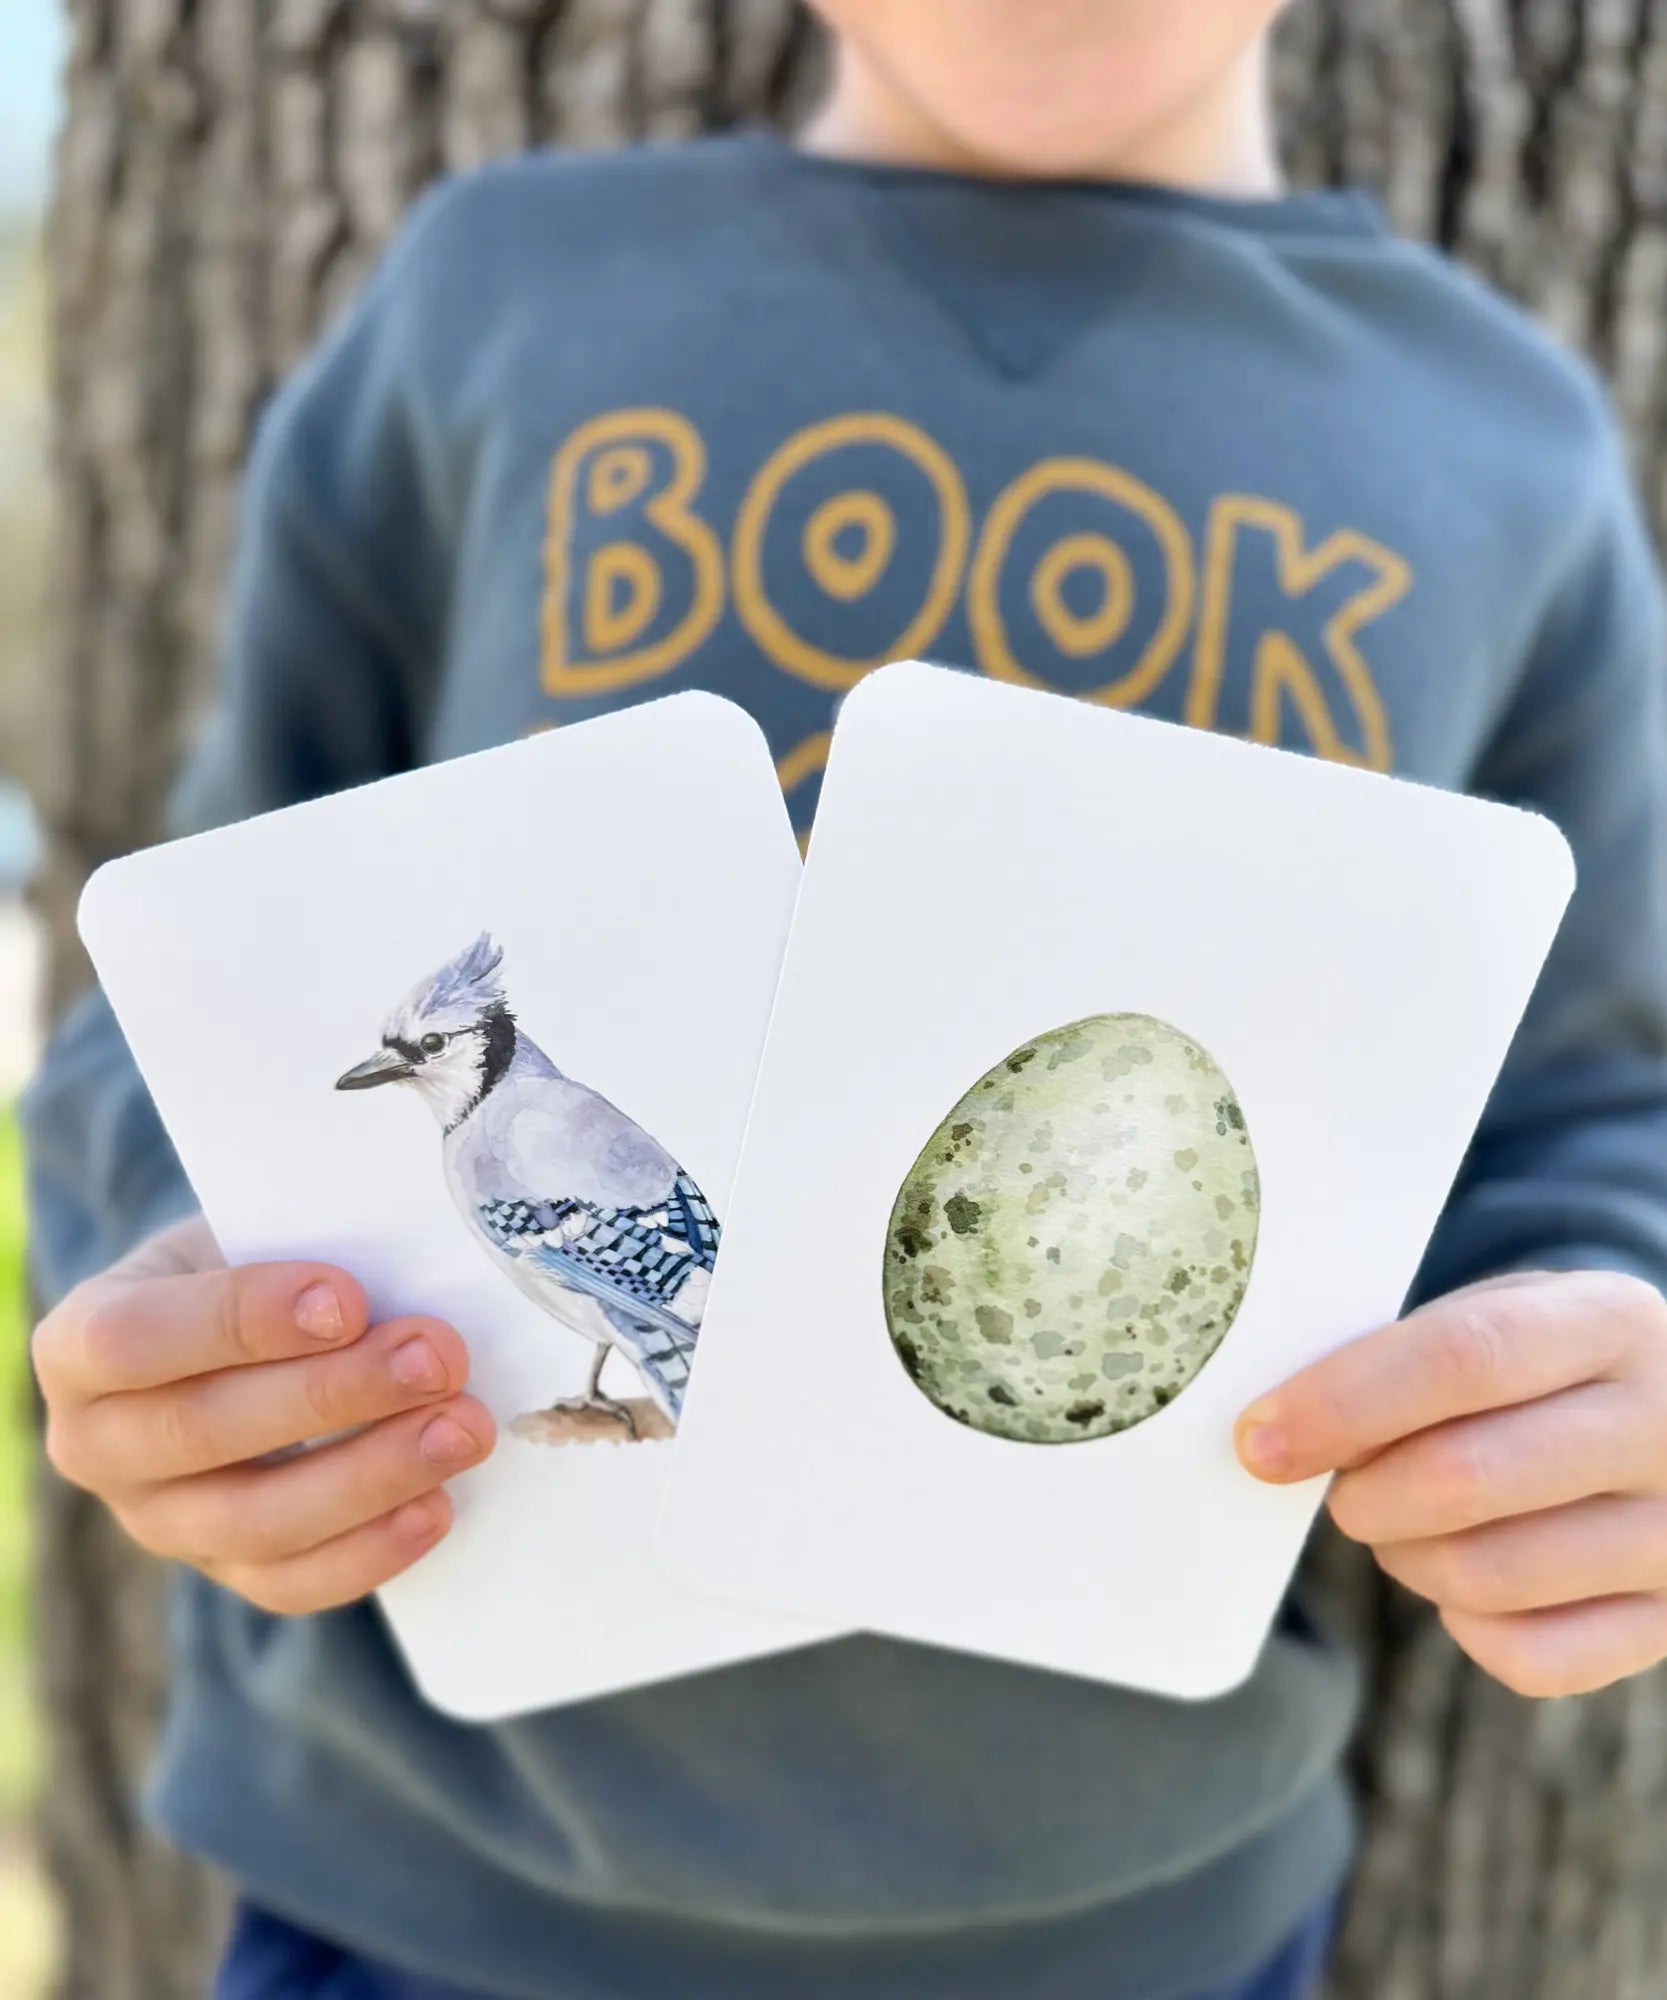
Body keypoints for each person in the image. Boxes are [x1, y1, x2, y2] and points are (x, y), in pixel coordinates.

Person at [24, 3, 1667, 1996]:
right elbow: (198, 959)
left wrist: (1606, 1361)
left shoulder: (1513, 453)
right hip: (424, 1888)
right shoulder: (505, 301)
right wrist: (173, 1288)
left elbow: (1589, 1102)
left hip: (1158, 1926)